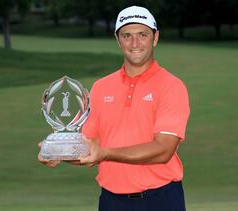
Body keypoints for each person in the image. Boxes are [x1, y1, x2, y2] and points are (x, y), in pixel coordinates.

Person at [38, 5, 190, 211]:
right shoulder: (101, 87)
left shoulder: (172, 86)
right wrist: (58, 153)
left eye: (142, 34)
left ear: (155, 38)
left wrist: (105, 153)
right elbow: (91, 146)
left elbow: (163, 149)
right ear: (118, 40)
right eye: (127, 35)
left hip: (160, 199)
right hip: (112, 201)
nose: (135, 43)